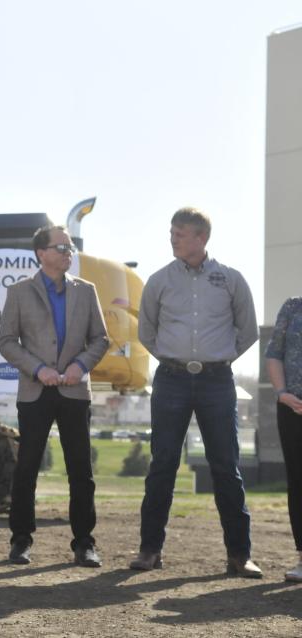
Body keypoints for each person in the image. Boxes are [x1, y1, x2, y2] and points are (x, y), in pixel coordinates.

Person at [131, 207, 260, 577]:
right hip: (170, 381)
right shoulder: (158, 281)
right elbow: (147, 333)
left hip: (218, 382)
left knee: (226, 466)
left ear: (201, 238)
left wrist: (216, 360)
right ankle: (150, 551)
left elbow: (247, 331)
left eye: (179, 233)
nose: (172, 239)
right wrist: (175, 361)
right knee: (163, 465)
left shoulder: (231, 279)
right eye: (171, 232)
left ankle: (240, 555)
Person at [0, 225, 109, 567]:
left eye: (70, 246)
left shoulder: (86, 291)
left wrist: (80, 365)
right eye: (61, 246)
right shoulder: (19, 292)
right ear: (41, 253)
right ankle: (20, 541)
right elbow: (6, 342)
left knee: (80, 469)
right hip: (35, 391)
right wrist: (37, 369)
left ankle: (84, 543)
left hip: (75, 390)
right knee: (27, 466)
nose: (67, 251)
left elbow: (101, 340)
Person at [265, 296, 302, 582]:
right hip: (293, 407)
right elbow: (274, 352)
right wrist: (281, 393)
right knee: (299, 481)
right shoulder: (291, 306)